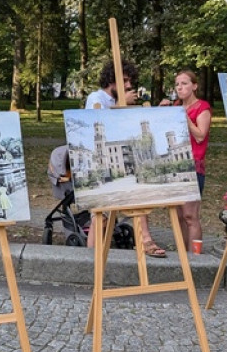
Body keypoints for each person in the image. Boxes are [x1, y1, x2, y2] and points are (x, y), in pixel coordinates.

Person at [85, 60, 166, 257]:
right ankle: (89, 260)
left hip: (120, 159)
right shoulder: (96, 98)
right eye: (125, 81)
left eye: (130, 81)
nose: (129, 86)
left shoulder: (116, 101)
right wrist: (123, 105)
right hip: (99, 165)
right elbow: (98, 128)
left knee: (137, 198)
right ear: (111, 80)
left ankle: (145, 240)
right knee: (100, 218)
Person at [160, 69, 211, 248]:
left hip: (193, 166)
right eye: (177, 84)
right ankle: (182, 254)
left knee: (191, 216)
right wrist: (160, 112)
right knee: (179, 216)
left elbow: (200, 135)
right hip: (174, 166)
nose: (180, 87)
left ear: (194, 86)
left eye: (184, 83)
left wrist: (184, 118)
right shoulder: (174, 107)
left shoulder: (202, 107)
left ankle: (195, 258)